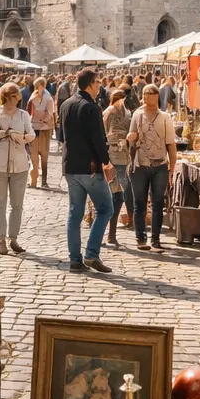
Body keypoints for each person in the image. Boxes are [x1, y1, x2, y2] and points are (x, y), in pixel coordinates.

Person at [61, 68, 113, 273]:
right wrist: (106, 162)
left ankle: (75, 258)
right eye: (97, 82)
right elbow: (98, 139)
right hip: (89, 167)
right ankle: (91, 254)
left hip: (70, 166)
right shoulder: (91, 108)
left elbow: (62, 136)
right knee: (105, 209)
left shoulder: (66, 105)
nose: (100, 86)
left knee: (75, 213)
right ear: (90, 84)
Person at [127, 84, 178, 251]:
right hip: (139, 165)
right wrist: (131, 139)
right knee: (139, 203)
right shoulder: (137, 114)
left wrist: (171, 168)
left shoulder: (165, 117)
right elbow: (131, 139)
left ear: (156, 97)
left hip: (160, 166)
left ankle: (155, 238)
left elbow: (171, 145)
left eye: (150, 95)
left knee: (157, 203)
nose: (146, 98)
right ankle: (140, 237)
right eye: (145, 95)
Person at [0, 82, 35, 256]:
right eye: (14, 97)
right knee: (1, 203)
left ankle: (13, 238)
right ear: (6, 96)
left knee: (17, 205)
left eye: (18, 97)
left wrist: (23, 137)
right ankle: (1, 240)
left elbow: (31, 134)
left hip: (20, 164)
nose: (16, 100)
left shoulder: (23, 115)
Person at [103, 88, 132, 248]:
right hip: (113, 156)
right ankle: (109, 234)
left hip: (124, 157)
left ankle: (111, 234)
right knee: (116, 196)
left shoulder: (126, 112)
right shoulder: (109, 112)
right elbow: (105, 133)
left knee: (120, 195)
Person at [26, 76, 56, 189]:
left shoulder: (48, 98)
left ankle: (44, 181)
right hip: (34, 128)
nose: (35, 88)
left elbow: (50, 114)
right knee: (33, 156)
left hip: (44, 129)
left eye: (37, 86)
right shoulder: (33, 96)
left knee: (44, 156)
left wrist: (44, 120)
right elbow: (30, 110)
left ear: (42, 86)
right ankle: (33, 181)